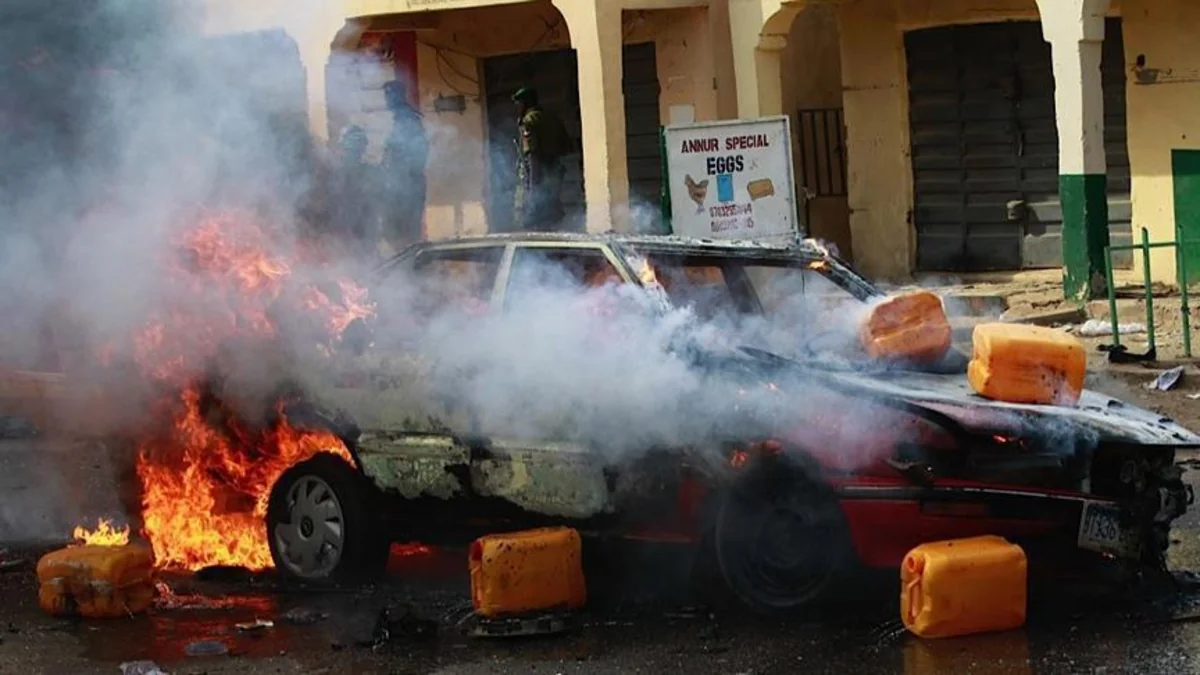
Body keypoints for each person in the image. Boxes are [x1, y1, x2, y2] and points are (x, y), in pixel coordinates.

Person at [512, 86, 570, 231]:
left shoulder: (528, 121)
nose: (516, 108)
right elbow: (567, 148)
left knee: (529, 221)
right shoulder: (553, 118)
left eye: (518, 104)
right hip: (554, 177)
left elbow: (532, 155)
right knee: (551, 220)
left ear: (525, 103)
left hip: (537, 179)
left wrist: (533, 190)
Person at [381, 79, 428, 252]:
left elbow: (417, 155)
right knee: (395, 233)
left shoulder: (408, 120)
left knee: (404, 234)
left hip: (408, 187)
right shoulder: (399, 120)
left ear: (397, 96)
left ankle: (409, 269)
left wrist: (400, 177)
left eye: (389, 95)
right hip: (400, 186)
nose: (386, 100)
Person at [328, 124, 384, 260]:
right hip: (342, 236)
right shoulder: (333, 174)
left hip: (365, 234)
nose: (353, 152)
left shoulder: (372, 172)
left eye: (356, 148)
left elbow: (380, 201)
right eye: (350, 148)